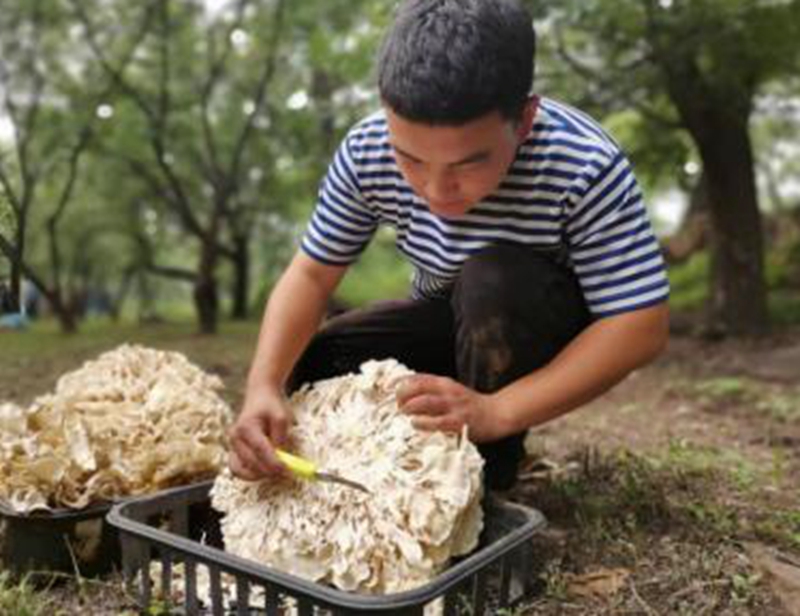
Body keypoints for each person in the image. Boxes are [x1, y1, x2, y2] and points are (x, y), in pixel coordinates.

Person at [229, 0, 669, 490]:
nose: (436, 192)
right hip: (447, 312)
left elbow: (639, 324)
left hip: (539, 323)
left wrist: (495, 411)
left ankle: (489, 472)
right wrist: (262, 385)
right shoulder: (366, 150)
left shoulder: (583, 163)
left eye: (467, 164)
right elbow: (310, 276)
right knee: (319, 358)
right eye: (410, 159)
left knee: (491, 281)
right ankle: (394, 464)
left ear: (523, 121)